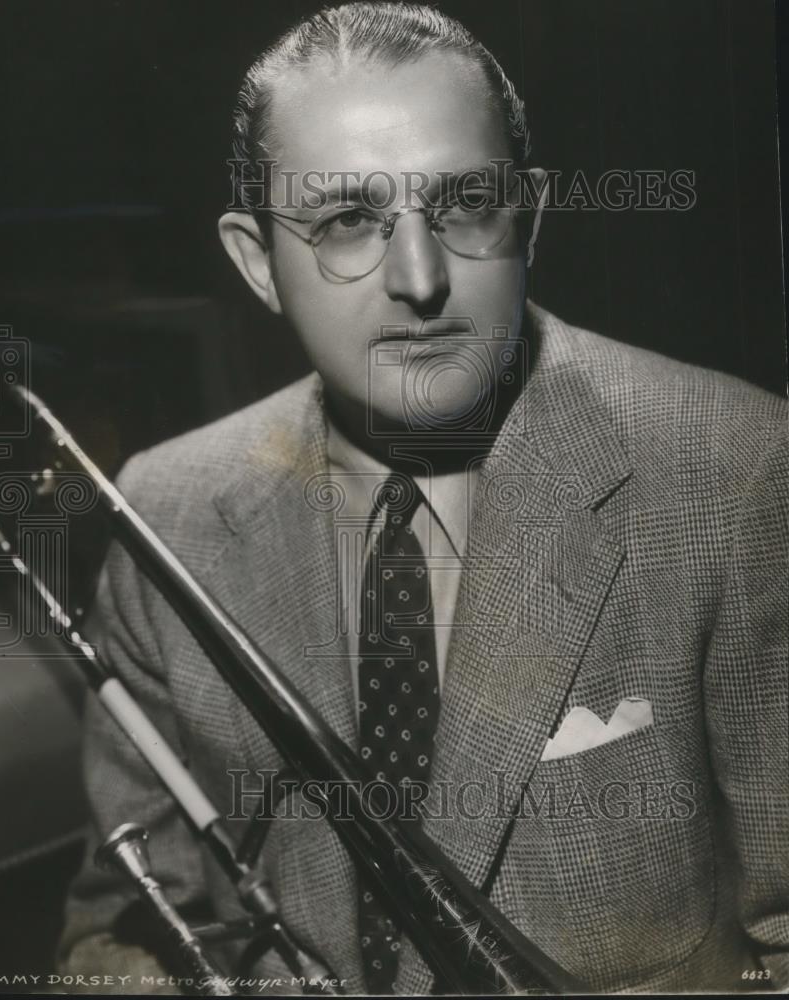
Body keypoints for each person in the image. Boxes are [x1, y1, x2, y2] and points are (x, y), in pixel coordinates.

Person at [58, 3, 788, 994]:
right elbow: (125, 930)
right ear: (253, 262)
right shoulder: (167, 506)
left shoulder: (736, 469)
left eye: (465, 206)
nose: (419, 278)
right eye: (347, 220)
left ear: (526, 215)